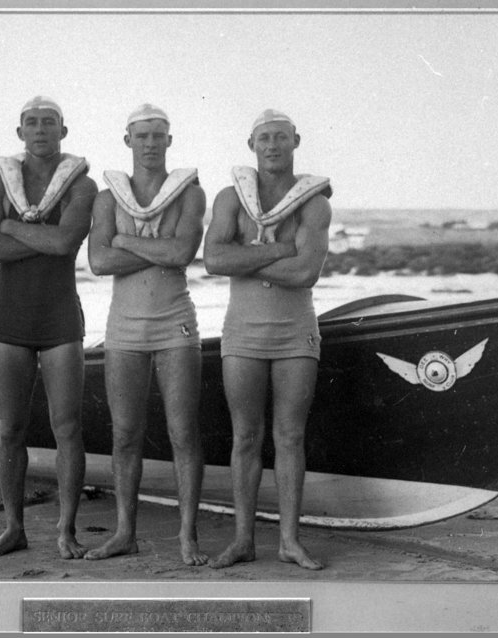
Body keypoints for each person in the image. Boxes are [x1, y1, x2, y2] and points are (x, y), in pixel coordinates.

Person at [203, 109, 332, 570]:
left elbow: (305, 273)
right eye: (264, 139)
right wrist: (278, 249)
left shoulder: (314, 203)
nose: (273, 145)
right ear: (251, 145)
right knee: (245, 436)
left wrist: (249, 256)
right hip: (243, 331)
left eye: (280, 137)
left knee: (290, 436)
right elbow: (213, 260)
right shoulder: (230, 198)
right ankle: (243, 540)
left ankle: (289, 542)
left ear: (296, 141)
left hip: (296, 331)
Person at [0, 96, 98, 560]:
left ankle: (66, 529)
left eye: (50, 123)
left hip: (60, 317)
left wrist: (10, 226)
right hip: (12, 318)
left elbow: (67, 242)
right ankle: (13, 527)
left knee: (67, 427)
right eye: (32, 122)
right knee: (10, 429)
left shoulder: (80, 186)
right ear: (19, 131)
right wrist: (37, 238)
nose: (40, 129)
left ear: (63, 131)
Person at [85, 104, 208, 566]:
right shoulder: (107, 197)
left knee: (182, 431)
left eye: (159, 136)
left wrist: (126, 241)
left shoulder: (189, 194)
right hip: (124, 326)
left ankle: (187, 536)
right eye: (142, 136)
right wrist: (157, 250)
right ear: (128, 141)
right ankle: (124, 532)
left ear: (169, 141)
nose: (151, 144)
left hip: (174, 320)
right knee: (124, 434)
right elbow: (99, 262)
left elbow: (181, 252)